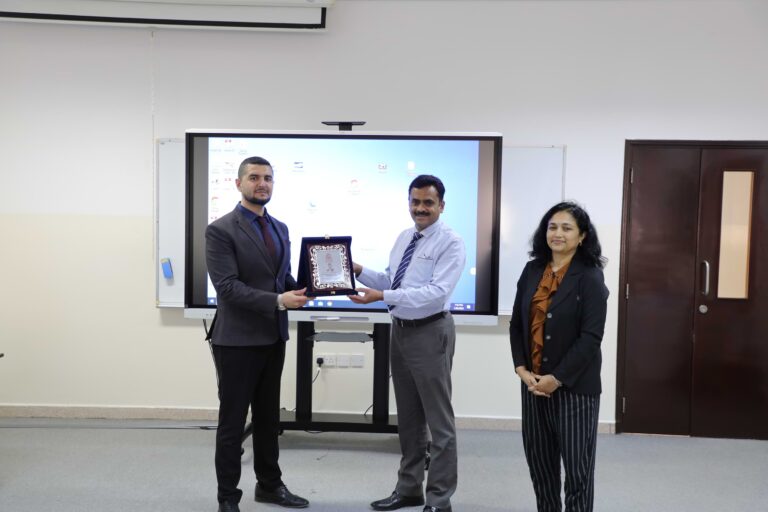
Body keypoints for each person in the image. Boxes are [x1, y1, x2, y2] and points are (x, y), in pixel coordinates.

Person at [350, 175, 465, 512]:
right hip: (400, 331)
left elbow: (436, 293)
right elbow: (392, 280)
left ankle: (439, 499)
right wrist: (356, 269)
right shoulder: (404, 237)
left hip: (430, 332)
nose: (420, 208)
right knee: (409, 418)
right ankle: (409, 488)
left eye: (428, 202)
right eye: (415, 202)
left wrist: (382, 296)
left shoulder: (451, 242)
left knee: (439, 423)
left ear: (441, 205)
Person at [206, 156, 309, 512]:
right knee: (233, 423)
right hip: (236, 341)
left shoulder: (280, 227)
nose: (261, 183)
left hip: (272, 337)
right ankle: (227, 498)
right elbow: (228, 288)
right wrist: (279, 300)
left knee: (268, 419)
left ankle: (269, 485)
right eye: (253, 177)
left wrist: (316, 287)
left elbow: (282, 280)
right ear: (238, 184)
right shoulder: (220, 230)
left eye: (267, 178)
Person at [508, 201, 608, 512]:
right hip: (533, 386)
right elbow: (516, 324)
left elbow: (591, 338)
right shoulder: (532, 270)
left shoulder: (590, 277)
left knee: (578, 474)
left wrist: (558, 378)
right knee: (542, 470)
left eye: (567, 228)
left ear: (582, 236)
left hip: (575, 390)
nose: (558, 234)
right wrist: (521, 368)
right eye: (552, 227)